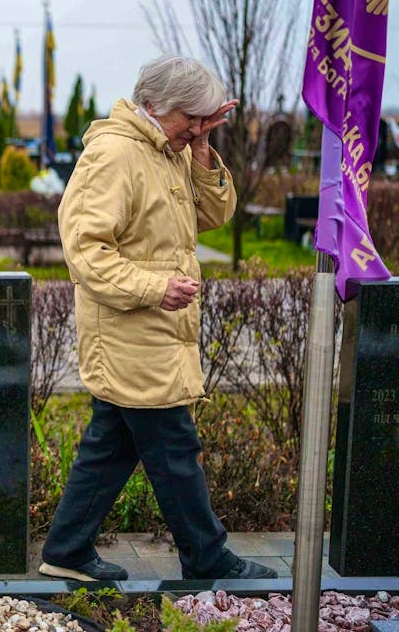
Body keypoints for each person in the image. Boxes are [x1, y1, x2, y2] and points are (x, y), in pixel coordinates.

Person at [39, 55, 278, 582]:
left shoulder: (166, 149)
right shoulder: (114, 155)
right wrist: (157, 287)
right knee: (175, 446)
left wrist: (200, 148)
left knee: (114, 442)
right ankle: (206, 555)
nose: (197, 125)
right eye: (190, 117)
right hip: (131, 331)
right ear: (153, 106)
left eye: (203, 117)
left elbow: (214, 215)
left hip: (153, 332)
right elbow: (86, 252)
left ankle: (66, 551)